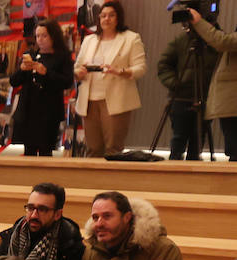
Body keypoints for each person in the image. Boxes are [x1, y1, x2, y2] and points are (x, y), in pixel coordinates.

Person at [74, 1, 146, 157]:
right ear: (98, 19)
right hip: (89, 100)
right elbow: (77, 67)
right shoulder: (89, 40)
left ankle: (114, 181)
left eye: (111, 15)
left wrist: (119, 71)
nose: (107, 19)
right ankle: (92, 181)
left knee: (113, 149)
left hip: (116, 100)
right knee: (93, 149)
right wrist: (79, 72)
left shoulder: (131, 38)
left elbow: (140, 69)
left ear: (118, 18)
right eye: (103, 16)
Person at [159, 15, 219, 161]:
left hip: (206, 97)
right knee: (178, 138)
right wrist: (176, 83)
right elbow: (164, 65)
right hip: (180, 97)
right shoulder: (180, 41)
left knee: (198, 140)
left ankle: (193, 172)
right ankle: (173, 172)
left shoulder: (216, 41)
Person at [12, 19, 75, 156]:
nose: (40, 39)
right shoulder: (32, 54)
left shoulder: (62, 56)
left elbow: (67, 82)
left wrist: (46, 73)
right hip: (29, 110)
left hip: (49, 112)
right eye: (37, 36)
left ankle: (46, 177)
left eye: (44, 36)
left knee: (46, 150)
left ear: (53, 36)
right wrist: (22, 70)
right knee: (29, 150)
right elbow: (13, 81)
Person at [188, 9, 237, 161]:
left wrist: (198, 22)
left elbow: (223, 42)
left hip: (232, 102)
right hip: (231, 103)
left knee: (235, 151)